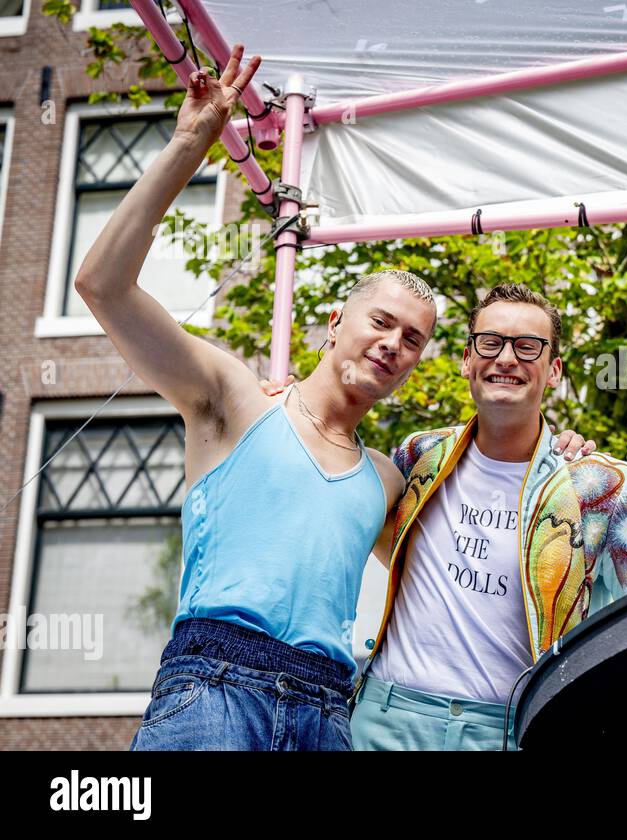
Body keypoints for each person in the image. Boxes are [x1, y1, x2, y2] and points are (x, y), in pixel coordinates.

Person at [73, 47, 594, 750]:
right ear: (333, 323)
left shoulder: (390, 478)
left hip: (328, 711)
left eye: (412, 339)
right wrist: (187, 146)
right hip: (215, 692)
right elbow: (103, 286)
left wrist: (558, 451)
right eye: (380, 322)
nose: (392, 344)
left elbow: (480, 545)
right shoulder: (234, 401)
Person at [350, 283, 627, 750]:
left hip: (514, 730)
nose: (506, 359)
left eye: (528, 347)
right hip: (386, 720)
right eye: (490, 342)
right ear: (466, 360)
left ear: (553, 369)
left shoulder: (604, 487)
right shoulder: (419, 454)